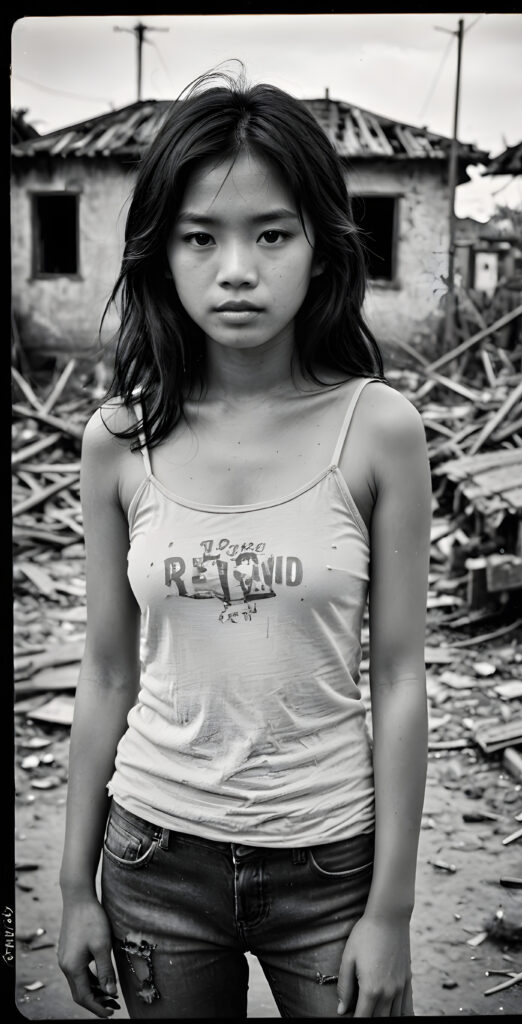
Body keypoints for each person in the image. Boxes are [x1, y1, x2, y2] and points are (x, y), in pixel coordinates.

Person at [57, 66, 431, 1019]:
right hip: (152, 858)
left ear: (320, 248)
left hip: (330, 861)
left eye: (272, 233)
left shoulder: (378, 429)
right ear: (160, 254)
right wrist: (71, 890)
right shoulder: (118, 439)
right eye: (200, 236)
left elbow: (398, 678)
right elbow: (105, 673)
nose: (236, 268)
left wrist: (391, 908)